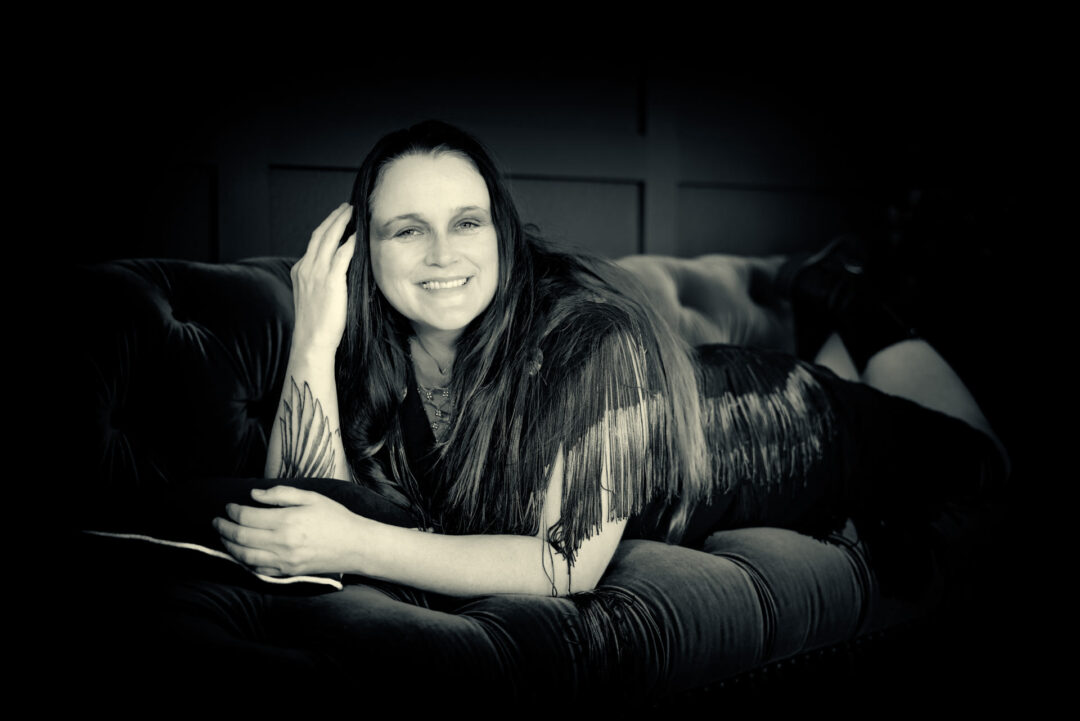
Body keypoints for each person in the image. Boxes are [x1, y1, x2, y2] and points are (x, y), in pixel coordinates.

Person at [211, 119, 1009, 600]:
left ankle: (844, 295)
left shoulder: (593, 335)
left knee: (984, 465)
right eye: (406, 228)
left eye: (468, 222)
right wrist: (314, 333)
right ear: (365, 252)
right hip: (694, 406)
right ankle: (834, 309)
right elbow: (298, 508)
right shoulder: (372, 348)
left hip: (797, 427)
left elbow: (566, 566)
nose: (442, 253)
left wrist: (355, 542)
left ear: (503, 235)